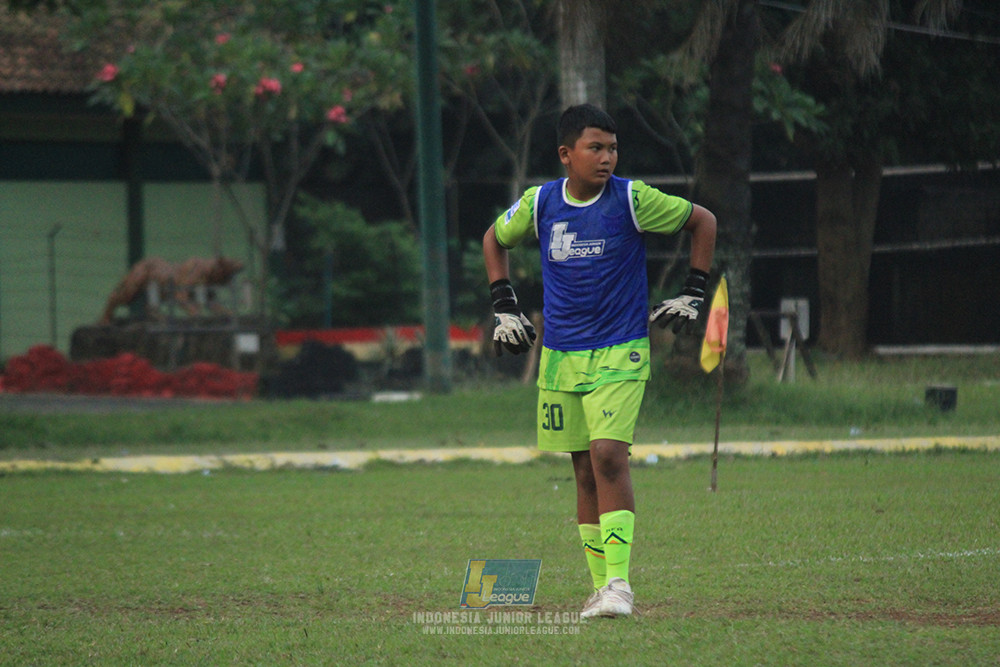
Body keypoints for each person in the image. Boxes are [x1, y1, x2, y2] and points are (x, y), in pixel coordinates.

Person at [482, 103, 716, 619]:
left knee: (609, 455)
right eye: (595, 148)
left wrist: (694, 293)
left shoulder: (632, 199)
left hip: (621, 347)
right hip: (561, 356)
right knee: (584, 471)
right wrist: (503, 306)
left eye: (612, 148)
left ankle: (619, 584)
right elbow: (494, 240)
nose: (607, 157)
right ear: (567, 154)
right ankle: (599, 591)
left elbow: (703, 222)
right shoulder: (541, 203)